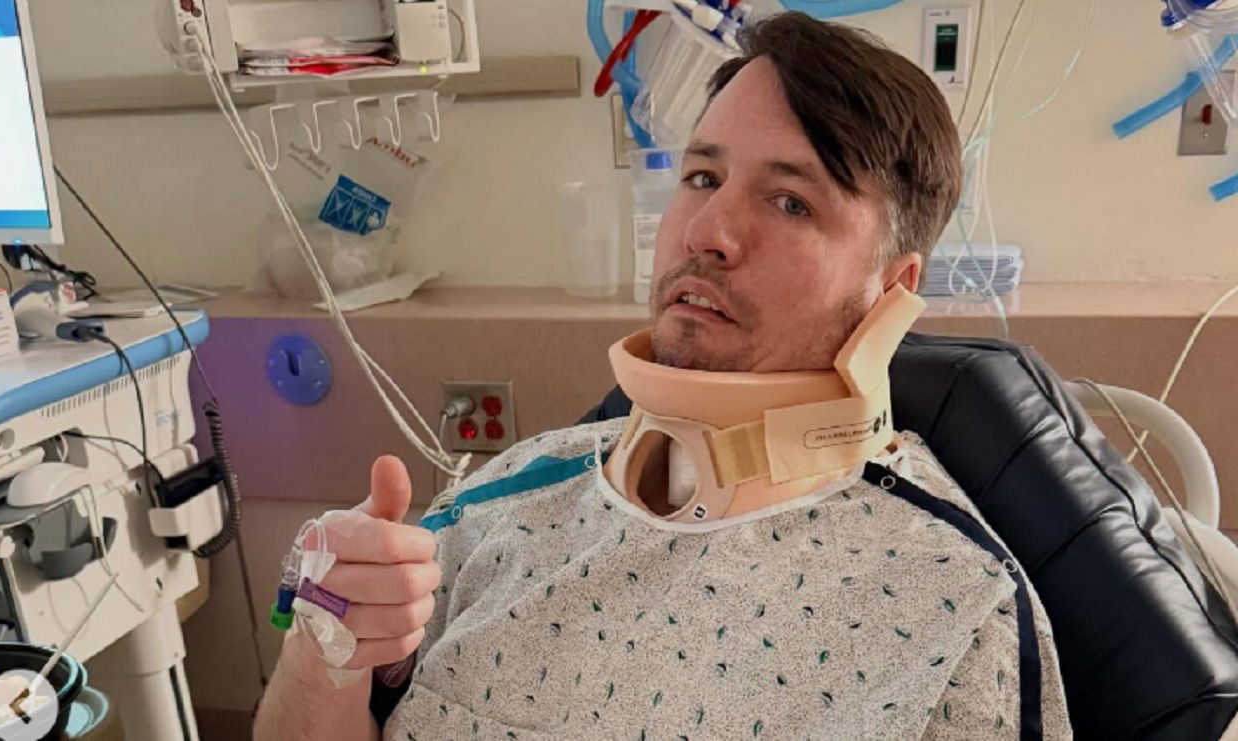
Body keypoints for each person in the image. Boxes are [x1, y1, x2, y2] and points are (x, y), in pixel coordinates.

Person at [254, 12, 1071, 740]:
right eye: (703, 178)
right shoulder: (496, 504)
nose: (707, 230)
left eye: (791, 202)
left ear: (892, 288)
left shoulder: (954, 603)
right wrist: (323, 649)